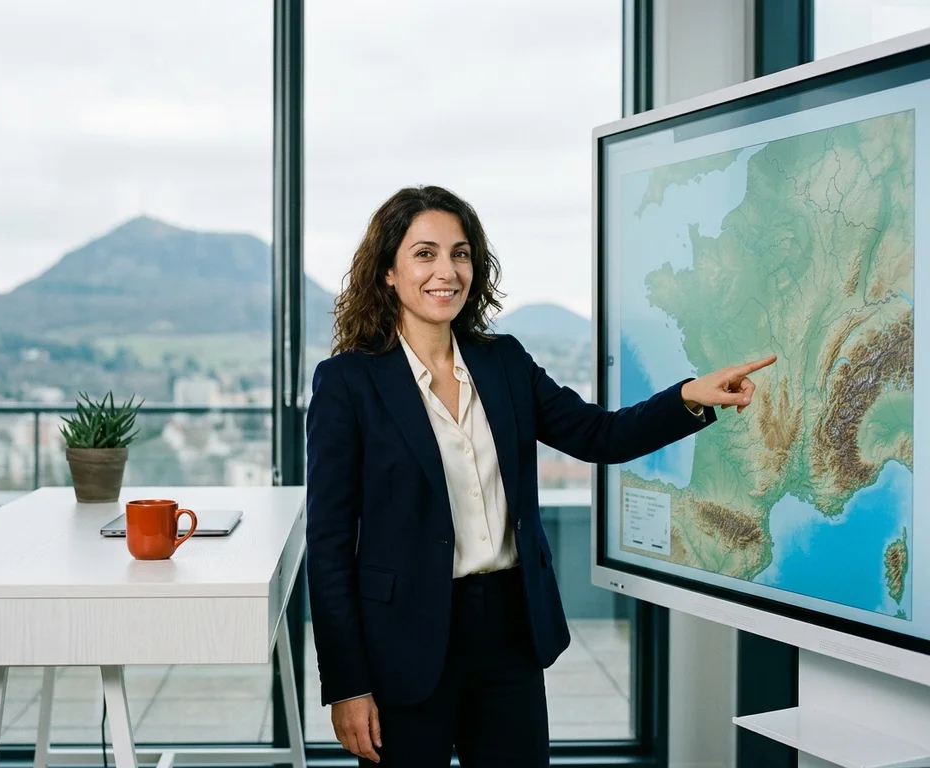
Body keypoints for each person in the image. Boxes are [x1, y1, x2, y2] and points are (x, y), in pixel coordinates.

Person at [305, 185, 775, 767]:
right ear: (387, 274)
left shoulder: (503, 362)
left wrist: (690, 398)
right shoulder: (347, 383)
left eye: (460, 253)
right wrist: (347, 684)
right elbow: (327, 546)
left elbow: (600, 435)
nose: (446, 271)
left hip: (508, 631)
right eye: (424, 253)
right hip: (402, 641)